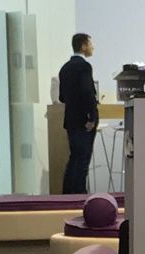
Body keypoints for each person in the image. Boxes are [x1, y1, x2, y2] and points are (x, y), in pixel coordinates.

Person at [59, 33, 100, 195]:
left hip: (70, 120)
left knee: (74, 158)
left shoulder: (65, 68)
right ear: (83, 46)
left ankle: (67, 194)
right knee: (83, 160)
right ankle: (79, 194)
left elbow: (62, 97)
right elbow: (87, 92)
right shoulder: (84, 67)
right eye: (90, 44)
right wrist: (92, 116)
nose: (92, 47)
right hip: (84, 120)